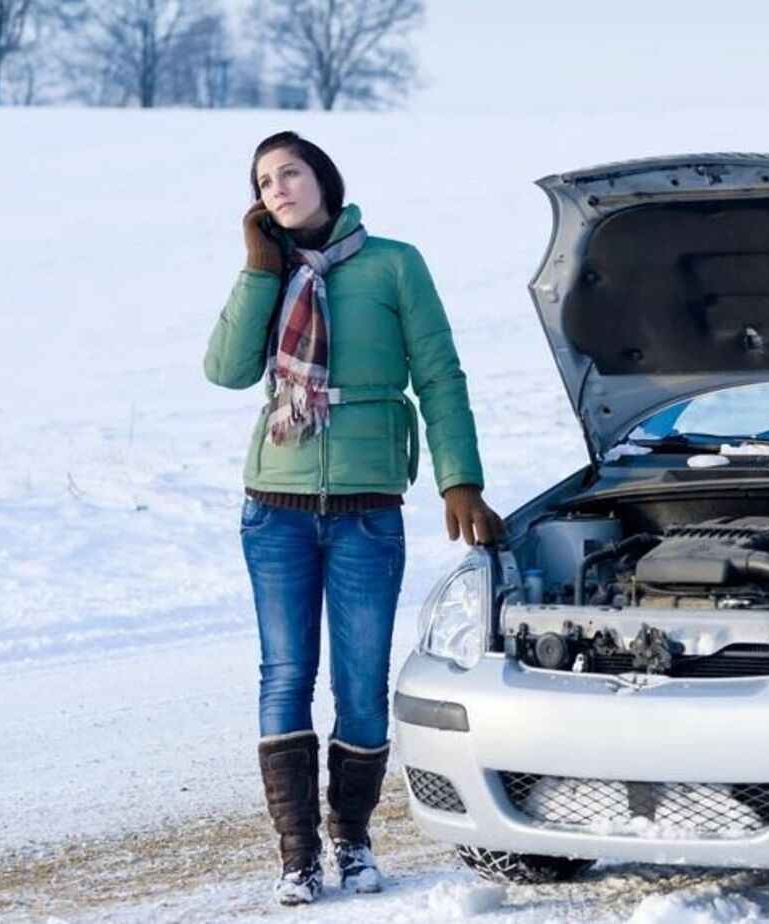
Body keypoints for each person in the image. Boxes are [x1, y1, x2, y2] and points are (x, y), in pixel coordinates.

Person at [203, 130, 502, 905]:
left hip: (368, 507)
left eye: (289, 172)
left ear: (324, 178)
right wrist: (257, 269)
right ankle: (297, 854)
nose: (277, 189)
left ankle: (356, 840)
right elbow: (229, 371)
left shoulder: (394, 263)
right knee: (285, 676)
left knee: (362, 684)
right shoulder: (271, 273)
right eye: (263, 181)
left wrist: (458, 479)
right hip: (274, 507)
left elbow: (439, 373)